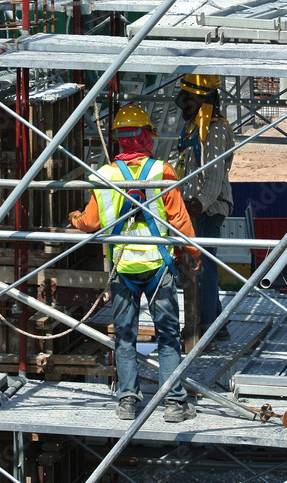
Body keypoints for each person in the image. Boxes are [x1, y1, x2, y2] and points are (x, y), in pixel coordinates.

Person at [69, 104, 201, 423]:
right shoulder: (162, 172)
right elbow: (180, 220)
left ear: (119, 140)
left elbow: (90, 222)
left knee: (124, 336)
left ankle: (127, 399)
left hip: (123, 269)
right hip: (158, 268)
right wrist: (194, 255)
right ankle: (174, 402)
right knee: (168, 336)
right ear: (145, 137)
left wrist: (74, 219)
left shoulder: (106, 176)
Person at [175, 74, 235, 341]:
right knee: (200, 266)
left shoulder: (216, 128)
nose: (185, 101)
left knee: (204, 268)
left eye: (191, 96)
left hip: (208, 210)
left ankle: (206, 328)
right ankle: (218, 324)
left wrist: (198, 204)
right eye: (184, 95)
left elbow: (213, 174)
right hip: (193, 207)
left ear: (205, 97)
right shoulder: (192, 126)